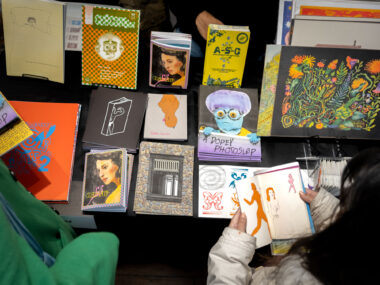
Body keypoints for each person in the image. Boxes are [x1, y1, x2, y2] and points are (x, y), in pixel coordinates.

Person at [207, 147, 380, 284]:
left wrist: (231, 253)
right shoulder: (358, 252)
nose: (340, 208)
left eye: (345, 207)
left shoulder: (302, 279)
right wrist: (327, 209)